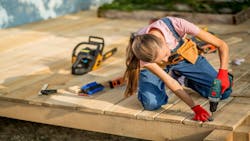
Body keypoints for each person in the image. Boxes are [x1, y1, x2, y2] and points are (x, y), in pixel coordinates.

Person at [123, 17, 232, 122]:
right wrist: (195, 107)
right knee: (151, 104)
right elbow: (169, 81)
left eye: (165, 54)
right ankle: (168, 76)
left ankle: (184, 79)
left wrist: (223, 72)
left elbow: (222, 45)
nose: (166, 60)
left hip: (182, 57)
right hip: (159, 68)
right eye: (161, 59)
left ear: (163, 41)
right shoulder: (144, 54)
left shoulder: (176, 24)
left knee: (224, 93)